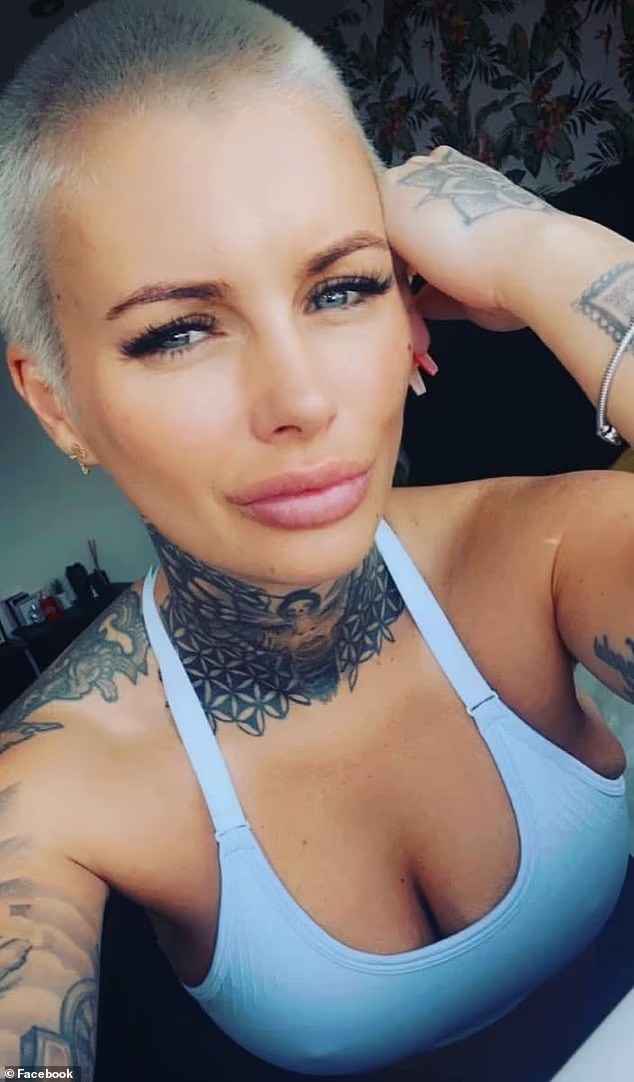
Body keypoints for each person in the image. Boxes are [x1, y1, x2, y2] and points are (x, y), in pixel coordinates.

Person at [0, 0, 633, 1077]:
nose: (300, 400)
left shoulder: (545, 551)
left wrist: (537, 248)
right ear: (58, 405)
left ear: (407, 312)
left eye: (343, 287)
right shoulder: (55, 785)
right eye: (178, 331)